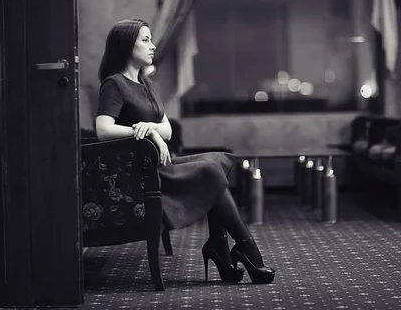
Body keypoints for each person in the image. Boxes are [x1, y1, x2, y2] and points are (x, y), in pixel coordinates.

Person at [95, 18, 276, 284]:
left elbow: (167, 129)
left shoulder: (145, 84)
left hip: (159, 165)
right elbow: (103, 130)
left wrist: (154, 129)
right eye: (145, 40)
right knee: (211, 169)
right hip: (141, 174)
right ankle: (243, 249)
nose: (153, 46)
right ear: (125, 46)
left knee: (220, 159)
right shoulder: (114, 84)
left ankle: (221, 248)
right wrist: (143, 130)